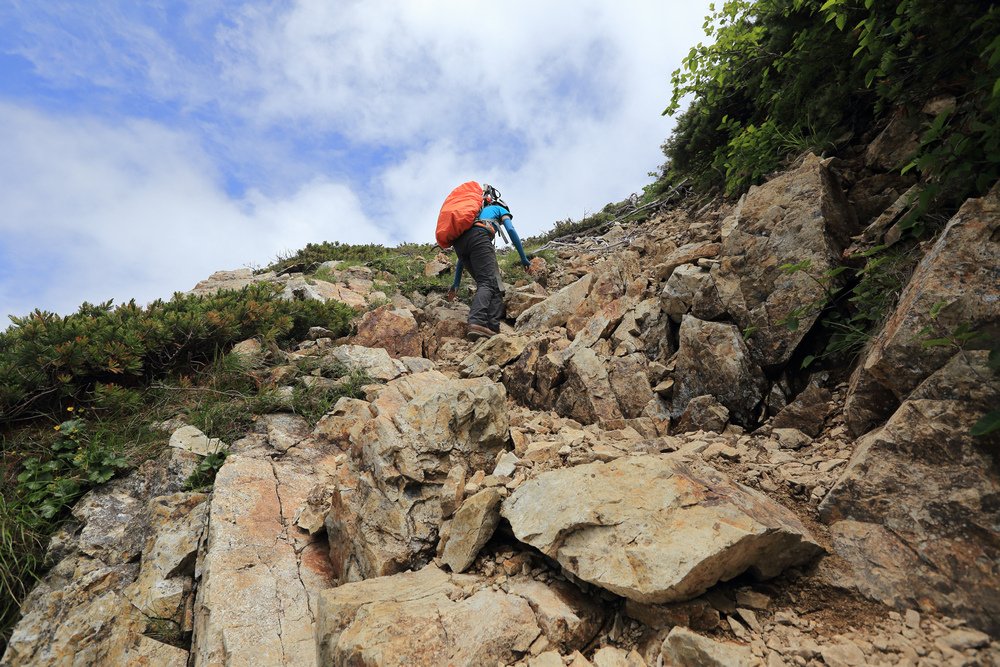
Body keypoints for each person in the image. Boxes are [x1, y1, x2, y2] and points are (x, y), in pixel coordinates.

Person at [447, 185, 531, 340]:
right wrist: (523, 258)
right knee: (488, 283)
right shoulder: (499, 209)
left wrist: (456, 283)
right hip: (480, 237)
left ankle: (491, 329)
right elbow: (511, 230)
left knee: (490, 285)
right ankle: (477, 322)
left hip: (460, 245)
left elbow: (463, 256)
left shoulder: (475, 217)